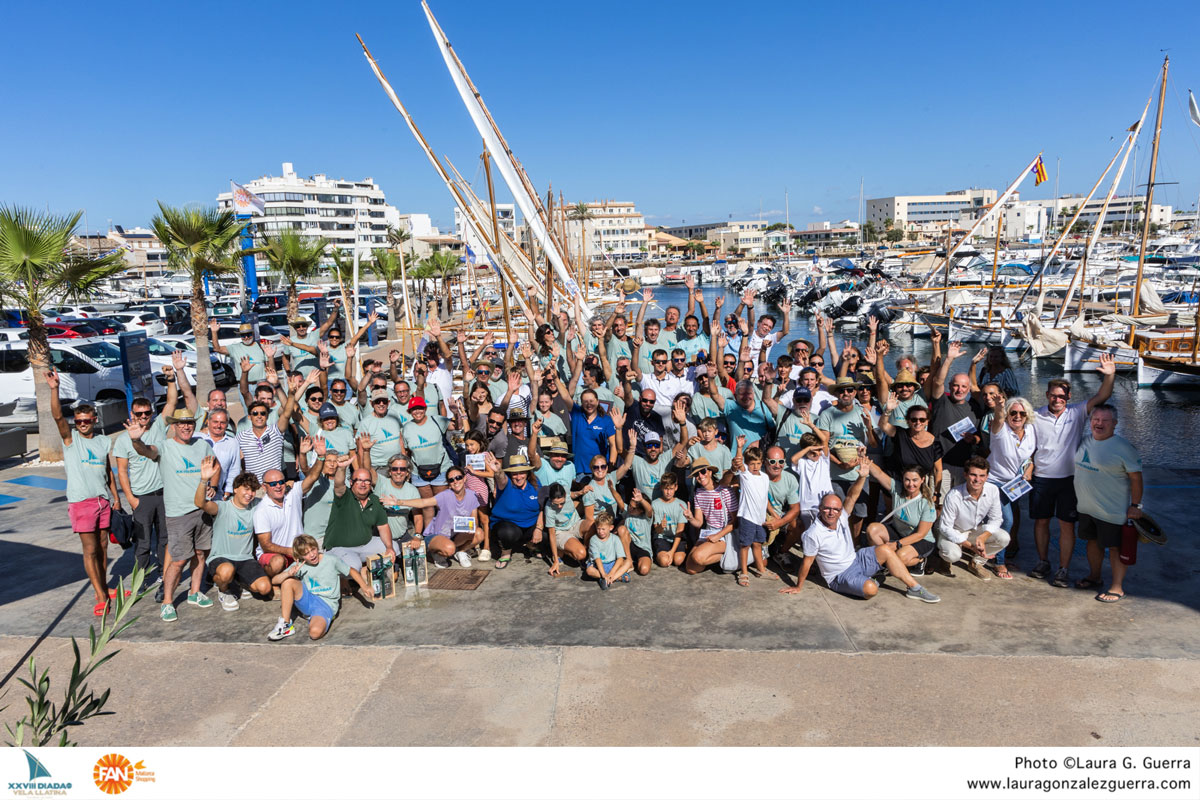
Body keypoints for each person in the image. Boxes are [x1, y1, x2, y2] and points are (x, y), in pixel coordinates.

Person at [781, 470, 940, 603]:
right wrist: (798, 586)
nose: (832, 512)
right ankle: (871, 579)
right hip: (839, 575)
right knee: (871, 590)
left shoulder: (842, 516)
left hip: (856, 559)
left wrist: (862, 476)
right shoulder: (813, 534)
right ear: (820, 509)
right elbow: (807, 562)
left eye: (836, 509)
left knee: (885, 549)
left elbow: (851, 496)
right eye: (827, 508)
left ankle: (915, 588)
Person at [1029, 355, 1115, 587]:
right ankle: (1043, 561)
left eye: (1062, 395)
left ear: (1069, 397)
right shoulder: (1035, 416)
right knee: (1041, 523)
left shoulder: (1077, 413)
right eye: (1053, 395)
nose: (1057, 399)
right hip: (1042, 478)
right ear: (1047, 395)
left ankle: (1063, 569)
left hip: (1069, 480)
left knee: (1067, 525)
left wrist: (1109, 375)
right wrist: (1028, 465)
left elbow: (1102, 396)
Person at [128, 408, 217, 622]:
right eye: (181, 423)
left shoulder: (203, 445)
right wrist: (136, 441)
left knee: (200, 554)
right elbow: (146, 451)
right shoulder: (166, 447)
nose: (186, 426)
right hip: (178, 513)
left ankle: (194, 592)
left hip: (202, 509)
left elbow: (214, 466)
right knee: (178, 561)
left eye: (189, 423)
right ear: (174, 426)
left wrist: (212, 485)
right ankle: (167, 601)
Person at [47, 370, 121, 616]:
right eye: (78, 421)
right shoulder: (70, 441)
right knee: (89, 550)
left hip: (102, 501)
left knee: (102, 548)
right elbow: (58, 416)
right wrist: (54, 388)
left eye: (87, 420)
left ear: (94, 420)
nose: (83, 424)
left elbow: (107, 472)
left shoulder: (102, 442)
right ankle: (99, 594)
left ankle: (104, 586)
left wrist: (116, 498)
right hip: (81, 503)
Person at [1072, 404, 1143, 603]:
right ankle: (1094, 577)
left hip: (1112, 511)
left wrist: (1135, 506)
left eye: (1105, 420)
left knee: (1115, 549)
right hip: (1087, 508)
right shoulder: (1085, 441)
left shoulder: (1123, 448)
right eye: (1096, 419)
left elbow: (1136, 478)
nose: (1099, 423)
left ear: (1115, 424)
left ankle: (1117, 587)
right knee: (1092, 543)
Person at [194, 457, 272, 611]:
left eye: (252, 490)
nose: (249, 494)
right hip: (221, 558)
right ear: (235, 489)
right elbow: (200, 503)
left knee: (264, 588)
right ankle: (223, 590)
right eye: (246, 488)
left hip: (245, 559)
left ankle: (240, 581)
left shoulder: (257, 505)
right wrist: (204, 480)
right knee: (226, 571)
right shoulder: (222, 507)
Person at [268, 534, 372, 641]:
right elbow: (274, 580)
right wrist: (288, 573)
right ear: (300, 556)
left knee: (315, 633)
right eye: (306, 554)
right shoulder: (299, 565)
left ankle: (319, 618)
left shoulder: (331, 560)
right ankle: (286, 625)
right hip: (308, 599)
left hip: (326, 604)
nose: (312, 555)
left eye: (313, 550)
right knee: (288, 582)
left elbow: (351, 570)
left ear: (317, 547)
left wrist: (364, 586)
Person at [253, 437, 327, 578]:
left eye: (281, 481)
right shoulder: (261, 511)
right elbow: (266, 545)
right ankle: (270, 580)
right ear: (264, 487)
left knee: (323, 561)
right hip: (276, 554)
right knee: (277, 562)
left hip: (298, 551)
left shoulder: (293, 493)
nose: (278, 486)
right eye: (273, 484)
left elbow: (312, 477)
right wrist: (291, 551)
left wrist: (321, 457)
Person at [387, 465, 483, 568]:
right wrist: (399, 502)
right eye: (451, 480)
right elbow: (424, 502)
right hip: (437, 535)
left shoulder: (472, 495)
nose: (455, 481)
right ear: (449, 484)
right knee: (449, 549)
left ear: (464, 478)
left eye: (458, 477)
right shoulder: (445, 495)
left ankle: (460, 551)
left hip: (456, 534)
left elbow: (474, 520)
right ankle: (437, 552)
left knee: (479, 533)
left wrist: (470, 529)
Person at [816, 376, 874, 535]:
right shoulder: (827, 414)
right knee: (835, 512)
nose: (846, 393)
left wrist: (869, 428)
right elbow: (824, 446)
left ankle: (853, 544)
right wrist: (840, 464)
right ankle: (836, 541)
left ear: (855, 392)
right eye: (842, 390)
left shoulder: (863, 412)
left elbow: (874, 444)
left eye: (850, 390)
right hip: (835, 474)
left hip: (860, 474)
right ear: (836, 394)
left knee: (859, 514)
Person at [986, 397, 1037, 579]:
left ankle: (996, 554)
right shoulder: (999, 429)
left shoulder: (1031, 430)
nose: (1017, 416)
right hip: (994, 483)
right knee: (1006, 520)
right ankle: (999, 562)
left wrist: (1030, 467)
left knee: (1006, 521)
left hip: (1015, 485)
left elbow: (1029, 456)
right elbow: (998, 418)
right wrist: (1000, 408)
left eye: (1022, 413)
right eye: (1013, 413)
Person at [937, 456, 1010, 579]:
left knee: (1004, 538)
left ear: (987, 477)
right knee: (952, 554)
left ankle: (976, 563)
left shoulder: (993, 490)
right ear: (965, 475)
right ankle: (944, 558)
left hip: (973, 530)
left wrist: (983, 537)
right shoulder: (954, 495)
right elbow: (945, 527)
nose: (977, 480)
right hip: (953, 531)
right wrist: (971, 547)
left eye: (982, 476)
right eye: (973, 475)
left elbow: (996, 519)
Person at [323, 466, 395, 590]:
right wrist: (341, 468)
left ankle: (366, 570)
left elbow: (383, 526)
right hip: (339, 548)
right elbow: (339, 484)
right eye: (359, 480)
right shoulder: (344, 496)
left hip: (365, 546)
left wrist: (389, 548)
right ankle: (344, 578)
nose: (363, 484)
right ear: (351, 483)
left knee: (394, 548)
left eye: (366, 481)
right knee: (353, 567)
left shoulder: (375, 500)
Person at [860, 461, 938, 576]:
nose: (910, 484)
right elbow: (879, 474)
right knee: (872, 529)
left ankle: (919, 561)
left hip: (922, 540)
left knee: (899, 557)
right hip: (900, 532)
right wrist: (865, 461)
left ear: (922, 479)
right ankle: (882, 563)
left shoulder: (927, 503)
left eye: (915, 480)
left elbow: (920, 534)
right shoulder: (897, 488)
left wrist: (896, 545)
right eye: (907, 479)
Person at [927, 342, 984, 493]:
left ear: (968, 389)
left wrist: (973, 439)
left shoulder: (975, 408)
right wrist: (949, 359)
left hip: (963, 466)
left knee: (961, 505)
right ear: (950, 386)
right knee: (938, 504)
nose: (959, 390)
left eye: (964, 387)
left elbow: (979, 438)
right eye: (956, 385)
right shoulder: (941, 402)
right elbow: (938, 381)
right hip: (940, 464)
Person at [485, 453, 542, 568]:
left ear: (527, 473)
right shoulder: (506, 483)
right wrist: (498, 471)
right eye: (515, 473)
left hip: (530, 524)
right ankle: (506, 552)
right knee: (508, 533)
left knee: (546, 532)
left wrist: (539, 528)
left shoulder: (535, 483)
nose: (518, 476)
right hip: (508, 524)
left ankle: (531, 545)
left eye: (521, 473)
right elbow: (501, 479)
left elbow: (542, 508)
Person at [683, 458, 737, 575]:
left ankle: (731, 556)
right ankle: (720, 557)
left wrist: (718, 536)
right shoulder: (699, 493)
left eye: (703, 471)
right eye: (697, 474)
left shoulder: (725, 491)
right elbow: (699, 522)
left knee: (698, 557)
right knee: (691, 569)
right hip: (708, 532)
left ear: (710, 472)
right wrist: (691, 518)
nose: (701, 476)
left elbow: (735, 521)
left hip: (725, 534)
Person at [732, 436, 773, 586]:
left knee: (758, 543)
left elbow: (764, 498)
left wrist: (774, 514)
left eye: (757, 463)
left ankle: (761, 569)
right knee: (745, 545)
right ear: (747, 464)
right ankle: (744, 572)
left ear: (762, 463)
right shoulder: (745, 475)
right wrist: (739, 447)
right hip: (747, 517)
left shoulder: (765, 477)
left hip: (760, 518)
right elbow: (738, 462)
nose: (755, 467)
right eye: (751, 464)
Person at [542, 483, 586, 574]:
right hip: (561, 532)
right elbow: (552, 534)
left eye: (562, 503)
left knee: (591, 524)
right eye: (556, 504)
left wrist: (581, 492)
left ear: (565, 495)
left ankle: (588, 552)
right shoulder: (549, 509)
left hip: (575, 523)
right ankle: (562, 550)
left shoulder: (566, 490)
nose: (559, 507)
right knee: (581, 554)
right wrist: (555, 561)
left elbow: (573, 494)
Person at [650, 471, 689, 568]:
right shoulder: (655, 504)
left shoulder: (681, 504)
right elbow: (657, 530)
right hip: (662, 537)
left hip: (677, 537)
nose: (668, 492)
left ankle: (680, 550)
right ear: (661, 488)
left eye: (671, 489)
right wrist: (661, 527)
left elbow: (680, 530)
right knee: (664, 562)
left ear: (676, 487)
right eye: (666, 489)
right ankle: (660, 553)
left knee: (678, 561)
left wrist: (671, 552)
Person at [586, 511, 631, 589]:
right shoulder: (594, 539)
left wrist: (611, 573)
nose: (600, 532)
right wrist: (603, 574)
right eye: (598, 529)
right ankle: (616, 577)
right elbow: (597, 559)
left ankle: (609, 579)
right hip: (598, 565)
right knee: (589, 570)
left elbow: (620, 558)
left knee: (628, 562)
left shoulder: (615, 539)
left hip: (612, 564)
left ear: (611, 528)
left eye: (603, 529)